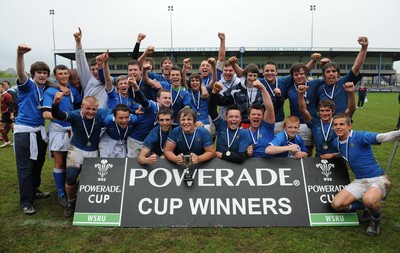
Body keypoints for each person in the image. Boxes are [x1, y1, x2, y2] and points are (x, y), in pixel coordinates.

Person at [330, 113, 400, 236]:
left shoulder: (360, 136)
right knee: (337, 205)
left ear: (349, 126)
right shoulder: (336, 142)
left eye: (342, 124)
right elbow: (347, 152)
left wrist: (397, 133)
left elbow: (381, 137)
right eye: (335, 124)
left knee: (370, 200)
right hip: (360, 181)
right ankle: (366, 206)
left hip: (378, 179)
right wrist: (334, 155)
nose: (338, 127)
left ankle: (375, 222)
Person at [51, 94, 111, 217]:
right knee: (71, 177)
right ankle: (71, 203)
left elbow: (117, 110)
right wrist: (55, 104)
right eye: (88, 108)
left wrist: (134, 111)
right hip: (76, 149)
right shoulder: (75, 115)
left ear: (97, 108)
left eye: (94, 109)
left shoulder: (101, 113)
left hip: (94, 150)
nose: (91, 112)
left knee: (94, 179)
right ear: (82, 106)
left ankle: (89, 202)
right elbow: (58, 115)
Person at [14, 44, 51, 215]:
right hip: (24, 132)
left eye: (45, 73)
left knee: (38, 164)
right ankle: (26, 202)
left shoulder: (46, 89)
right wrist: (20, 55)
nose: (42, 75)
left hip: (39, 132)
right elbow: (21, 73)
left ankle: (34, 190)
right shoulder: (27, 85)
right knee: (26, 167)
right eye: (39, 73)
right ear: (33, 74)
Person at [42, 64, 82, 207]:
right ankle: (60, 193)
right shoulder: (51, 91)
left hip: (72, 130)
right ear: (56, 76)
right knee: (59, 162)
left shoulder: (72, 91)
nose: (64, 76)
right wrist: (63, 116)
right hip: (58, 130)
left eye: (66, 73)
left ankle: (70, 188)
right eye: (61, 73)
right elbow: (46, 113)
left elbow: (79, 107)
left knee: (71, 162)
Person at [297, 82, 356, 157]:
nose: (325, 113)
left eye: (327, 110)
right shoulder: (314, 124)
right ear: (318, 112)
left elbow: (351, 109)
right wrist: (300, 94)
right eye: (322, 110)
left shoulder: (339, 123)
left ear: (333, 111)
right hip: (319, 158)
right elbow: (303, 110)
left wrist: (351, 93)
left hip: (336, 157)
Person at [317, 36, 368, 114]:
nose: (331, 74)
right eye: (328, 72)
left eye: (333, 71)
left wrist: (364, 48)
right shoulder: (320, 89)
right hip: (326, 123)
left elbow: (356, 67)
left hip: (343, 123)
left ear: (338, 74)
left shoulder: (344, 81)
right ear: (324, 75)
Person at [209, 82, 251, 163]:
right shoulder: (221, 125)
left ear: (240, 119)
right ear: (226, 118)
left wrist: (221, 155)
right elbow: (212, 110)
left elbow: (241, 158)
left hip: (235, 167)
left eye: (236, 117)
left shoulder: (244, 133)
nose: (234, 119)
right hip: (218, 165)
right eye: (231, 117)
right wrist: (214, 92)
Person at [74, 27, 108, 108]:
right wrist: (78, 43)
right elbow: (81, 62)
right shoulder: (88, 79)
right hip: (87, 115)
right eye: (93, 69)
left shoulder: (109, 81)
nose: (96, 71)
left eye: (97, 69)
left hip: (102, 116)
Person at [0, 82, 15, 147]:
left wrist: (11, 114)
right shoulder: (2, 95)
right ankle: (11, 141)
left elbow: (11, 105)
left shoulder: (7, 95)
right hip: (5, 114)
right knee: (13, 128)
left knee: (1, 127)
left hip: (7, 114)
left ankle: (7, 141)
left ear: (3, 87)